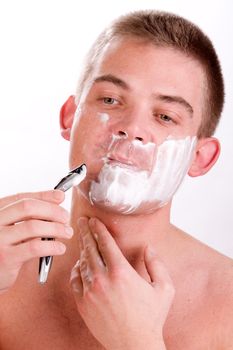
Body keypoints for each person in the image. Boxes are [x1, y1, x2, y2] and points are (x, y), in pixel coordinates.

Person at [0, 10, 232, 350]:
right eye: (110, 100)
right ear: (69, 117)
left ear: (200, 158)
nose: (132, 128)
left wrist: (137, 342)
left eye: (165, 116)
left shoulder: (228, 306)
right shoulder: (7, 261)